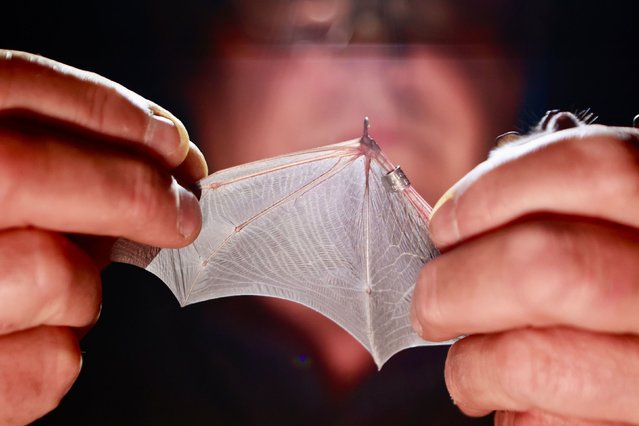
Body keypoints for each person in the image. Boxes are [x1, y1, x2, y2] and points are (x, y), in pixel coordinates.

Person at [2, 1, 639, 425]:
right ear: (200, 79)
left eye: (430, 10)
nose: (372, 48)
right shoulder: (87, 356)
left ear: (511, 71)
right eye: (299, 12)